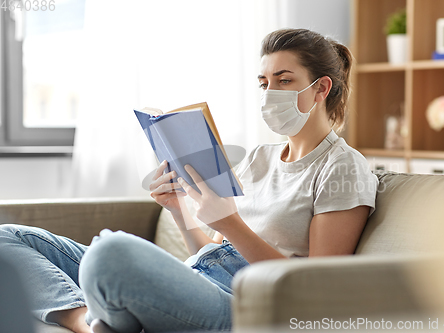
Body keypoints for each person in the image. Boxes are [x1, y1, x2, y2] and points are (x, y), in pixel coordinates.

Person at [0, 28, 378, 333]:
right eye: (263, 82)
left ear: (321, 88)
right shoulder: (261, 158)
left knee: (110, 253)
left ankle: (107, 317)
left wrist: (229, 222)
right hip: (197, 279)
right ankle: (87, 322)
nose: (269, 93)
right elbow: (209, 250)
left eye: (283, 80)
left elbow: (318, 289)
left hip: (245, 308)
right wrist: (181, 211)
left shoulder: (343, 167)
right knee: (7, 238)